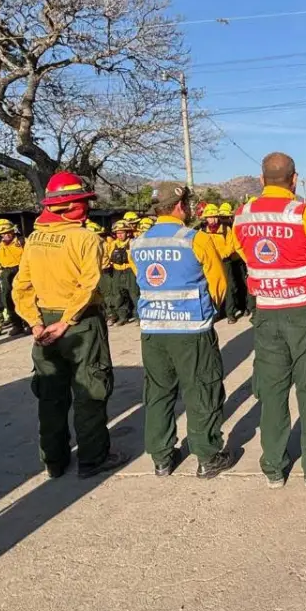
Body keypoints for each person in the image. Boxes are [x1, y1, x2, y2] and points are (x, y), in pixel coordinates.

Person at [233, 152, 306, 488]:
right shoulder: (303, 213)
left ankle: (274, 468)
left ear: (262, 180)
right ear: (294, 179)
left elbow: (242, 251)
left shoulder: (243, 214)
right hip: (304, 311)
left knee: (272, 390)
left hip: (266, 311)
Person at [12, 172, 125, 479]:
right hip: (80, 324)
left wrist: (35, 324)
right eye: (83, 202)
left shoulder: (34, 239)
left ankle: (54, 461)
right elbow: (88, 285)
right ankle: (93, 458)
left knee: (50, 396)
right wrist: (66, 321)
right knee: (90, 391)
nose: (87, 208)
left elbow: (20, 287)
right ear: (73, 205)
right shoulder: (85, 238)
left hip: (44, 326)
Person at [130, 182, 239, 479]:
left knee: (159, 393)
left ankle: (162, 459)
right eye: (188, 204)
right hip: (191, 331)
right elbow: (217, 284)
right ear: (180, 206)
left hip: (153, 331)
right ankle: (207, 456)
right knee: (201, 389)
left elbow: (142, 279)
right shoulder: (196, 239)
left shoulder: (138, 243)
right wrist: (205, 311)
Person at [0, 219, 28, 337]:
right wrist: (0, 272)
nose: (6, 235)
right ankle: (16, 324)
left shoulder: (22, 241)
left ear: (13, 231)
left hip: (22, 269)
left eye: (8, 232)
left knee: (24, 297)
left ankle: (29, 323)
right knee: (8, 299)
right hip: (6, 272)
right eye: (3, 233)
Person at [102, 220, 136, 325]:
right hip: (117, 271)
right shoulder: (112, 244)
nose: (120, 235)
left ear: (127, 233)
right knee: (119, 295)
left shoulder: (133, 243)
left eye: (122, 232)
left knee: (135, 294)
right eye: (118, 233)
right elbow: (106, 256)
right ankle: (122, 317)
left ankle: (139, 317)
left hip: (130, 271)